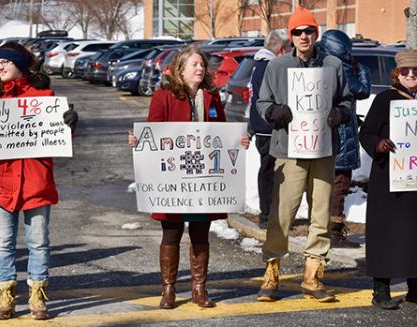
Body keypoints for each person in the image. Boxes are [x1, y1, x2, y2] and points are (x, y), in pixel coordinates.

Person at [127, 46, 249, 310]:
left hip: (203, 180)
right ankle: (168, 290)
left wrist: (238, 141)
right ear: (180, 69)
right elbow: (153, 133)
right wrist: (139, 140)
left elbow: (223, 134)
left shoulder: (212, 98)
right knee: (171, 233)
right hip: (173, 181)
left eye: (202, 65)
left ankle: (199, 288)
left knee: (200, 233)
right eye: (194, 64)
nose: (200, 68)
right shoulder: (163, 97)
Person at [0, 41, 78, 320]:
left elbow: (59, 138)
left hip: (36, 182)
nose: (0, 66)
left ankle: (37, 292)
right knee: (3, 242)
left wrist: (69, 123)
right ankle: (6, 293)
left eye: (6, 61)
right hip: (1, 182)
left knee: (38, 242)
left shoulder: (44, 96)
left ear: (20, 65)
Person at [255, 7, 352, 302]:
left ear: (316, 34)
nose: (303, 36)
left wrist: (340, 113)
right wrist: (273, 111)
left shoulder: (332, 65)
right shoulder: (278, 66)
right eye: (297, 31)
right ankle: (271, 272)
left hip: (323, 150)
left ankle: (313, 275)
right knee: (282, 214)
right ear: (291, 35)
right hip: (288, 149)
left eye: (308, 30)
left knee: (320, 214)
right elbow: (262, 101)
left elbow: (347, 100)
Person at [359, 49, 417, 310]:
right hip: (389, 176)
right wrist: (378, 144)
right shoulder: (385, 99)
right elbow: (366, 133)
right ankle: (380, 290)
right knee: (385, 234)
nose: (411, 74)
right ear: (397, 73)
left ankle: (415, 288)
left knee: (414, 234)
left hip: (415, 177)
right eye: (406, 70)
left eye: (415, 70)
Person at [319, 30, 371, 248]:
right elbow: (362, 91)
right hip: (340, 136)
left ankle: (327, 230)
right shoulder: (337, 67)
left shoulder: (322, 63)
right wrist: (364, 71)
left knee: (332, 185)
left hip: (333, 134)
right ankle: (334, 233)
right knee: (339, 184)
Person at [247, 31, 289, 229]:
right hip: (268, 127)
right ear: (280, 49)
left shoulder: (258, 65)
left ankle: (269, 214)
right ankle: (266, 216)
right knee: (269, 173)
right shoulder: (270, 67)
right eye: (288, 49)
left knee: (269, 171)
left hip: (260, 126)